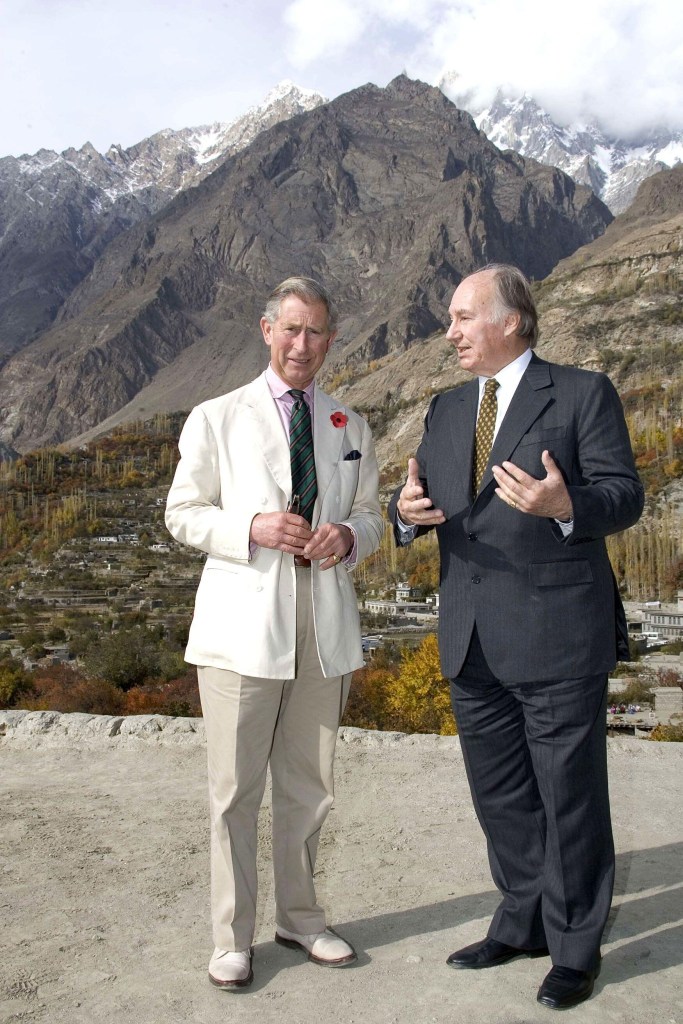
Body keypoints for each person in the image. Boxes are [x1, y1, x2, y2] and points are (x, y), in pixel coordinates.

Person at [388, 264, 644, 1010]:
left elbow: (624, 495)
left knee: (569, 799)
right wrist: (404, 513)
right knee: (500, 797)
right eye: (450, 319)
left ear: (510, 320)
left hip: (557, 635)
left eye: (463, 317)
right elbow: (431, 500)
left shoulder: (582, 393)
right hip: (469, 637)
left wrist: (567, 504)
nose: (450, 332)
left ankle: (574, 948)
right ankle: (522, 922)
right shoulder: (444, 408)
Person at [166, 277, 383, 990]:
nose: (302, 344)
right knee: (234, 791)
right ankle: (231, 938)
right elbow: (182, 513)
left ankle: (301, 918)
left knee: (310, 786)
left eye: (315, 331)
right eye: (291, 328)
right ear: (267, 331)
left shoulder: (350, 424)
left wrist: (347, 536)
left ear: (330, 339)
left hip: (322, 626)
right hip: (241, 631)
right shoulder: (215, 417)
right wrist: (251, 527)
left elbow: (372, 516)